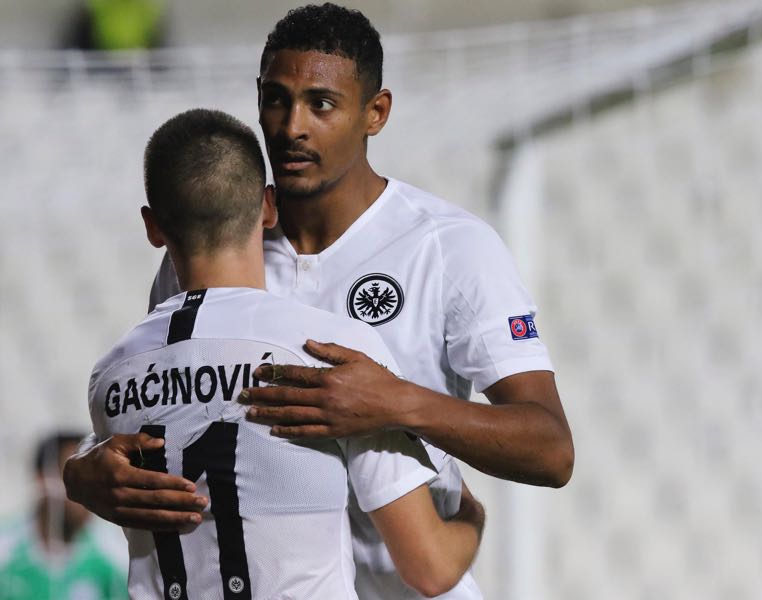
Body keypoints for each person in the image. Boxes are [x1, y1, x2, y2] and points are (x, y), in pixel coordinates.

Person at [65, 4, 574, 599]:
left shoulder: (450, 248)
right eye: (276, 100)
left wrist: (398, 403)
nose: (291, 127)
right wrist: (82, 470)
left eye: (321, 104)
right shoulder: (214, 243)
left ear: (375, 113)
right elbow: (170, 400)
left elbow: (551, 448)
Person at [86, 108, 484, 599]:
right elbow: (429, 568)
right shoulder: (324, 354)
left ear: (152, 227)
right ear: (269, 206)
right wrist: (472, 515)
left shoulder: (111, 377)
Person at [0, 431, 127, 600]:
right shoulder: (5, 551)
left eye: (93, 481)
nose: (88, 492)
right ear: (42, 480)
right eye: (74, 478)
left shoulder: (116, 560)